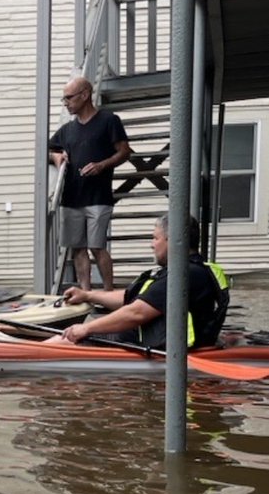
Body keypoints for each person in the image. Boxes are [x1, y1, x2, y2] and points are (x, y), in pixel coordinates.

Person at [54, 214, 229, 350]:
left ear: (174, 240)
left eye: (155, 238)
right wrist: (87, 295)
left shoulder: (185, 274)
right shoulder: (189, 270)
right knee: (78, 329)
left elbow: (136, 313)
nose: (152, 245)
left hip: (156, 348)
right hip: (142, 339)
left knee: (67, 337)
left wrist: (86, 329)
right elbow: (129, 297)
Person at [49, 76, 132, 290]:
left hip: (98, 197)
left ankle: (108, 291)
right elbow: (48, 150)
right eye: (63, 99)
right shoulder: (67, 130)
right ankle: (85, 293)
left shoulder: (108, 121)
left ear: (85, 95)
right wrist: (57, 158)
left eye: (68, 97)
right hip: (71, 198)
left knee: (97, 247)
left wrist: (102, 165)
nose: (65, 103)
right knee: (77, 248)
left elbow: (124, 152)